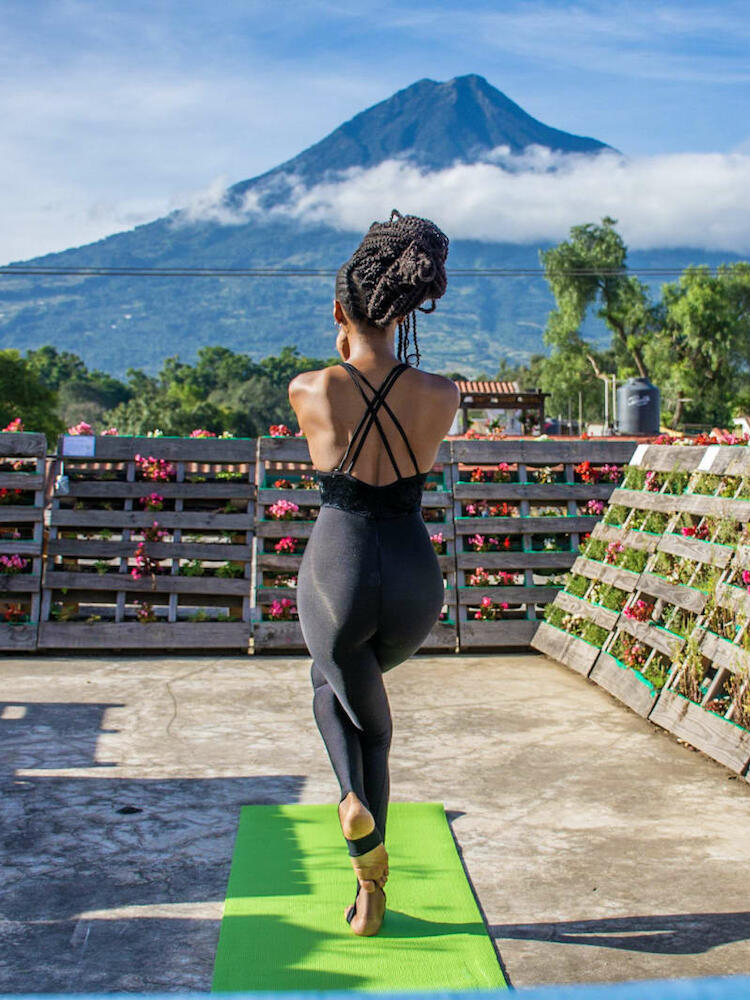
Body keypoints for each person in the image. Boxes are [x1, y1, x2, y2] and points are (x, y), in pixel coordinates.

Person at [286, 211, 460, 936]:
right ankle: (370, 896)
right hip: (416, 576)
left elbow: (335, 438)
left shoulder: (312, 388)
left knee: (331, 684)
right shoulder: (444, 395)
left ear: (340, 311)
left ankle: (354, 808)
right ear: (406, 311)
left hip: (341, 564)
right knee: (361, 704)